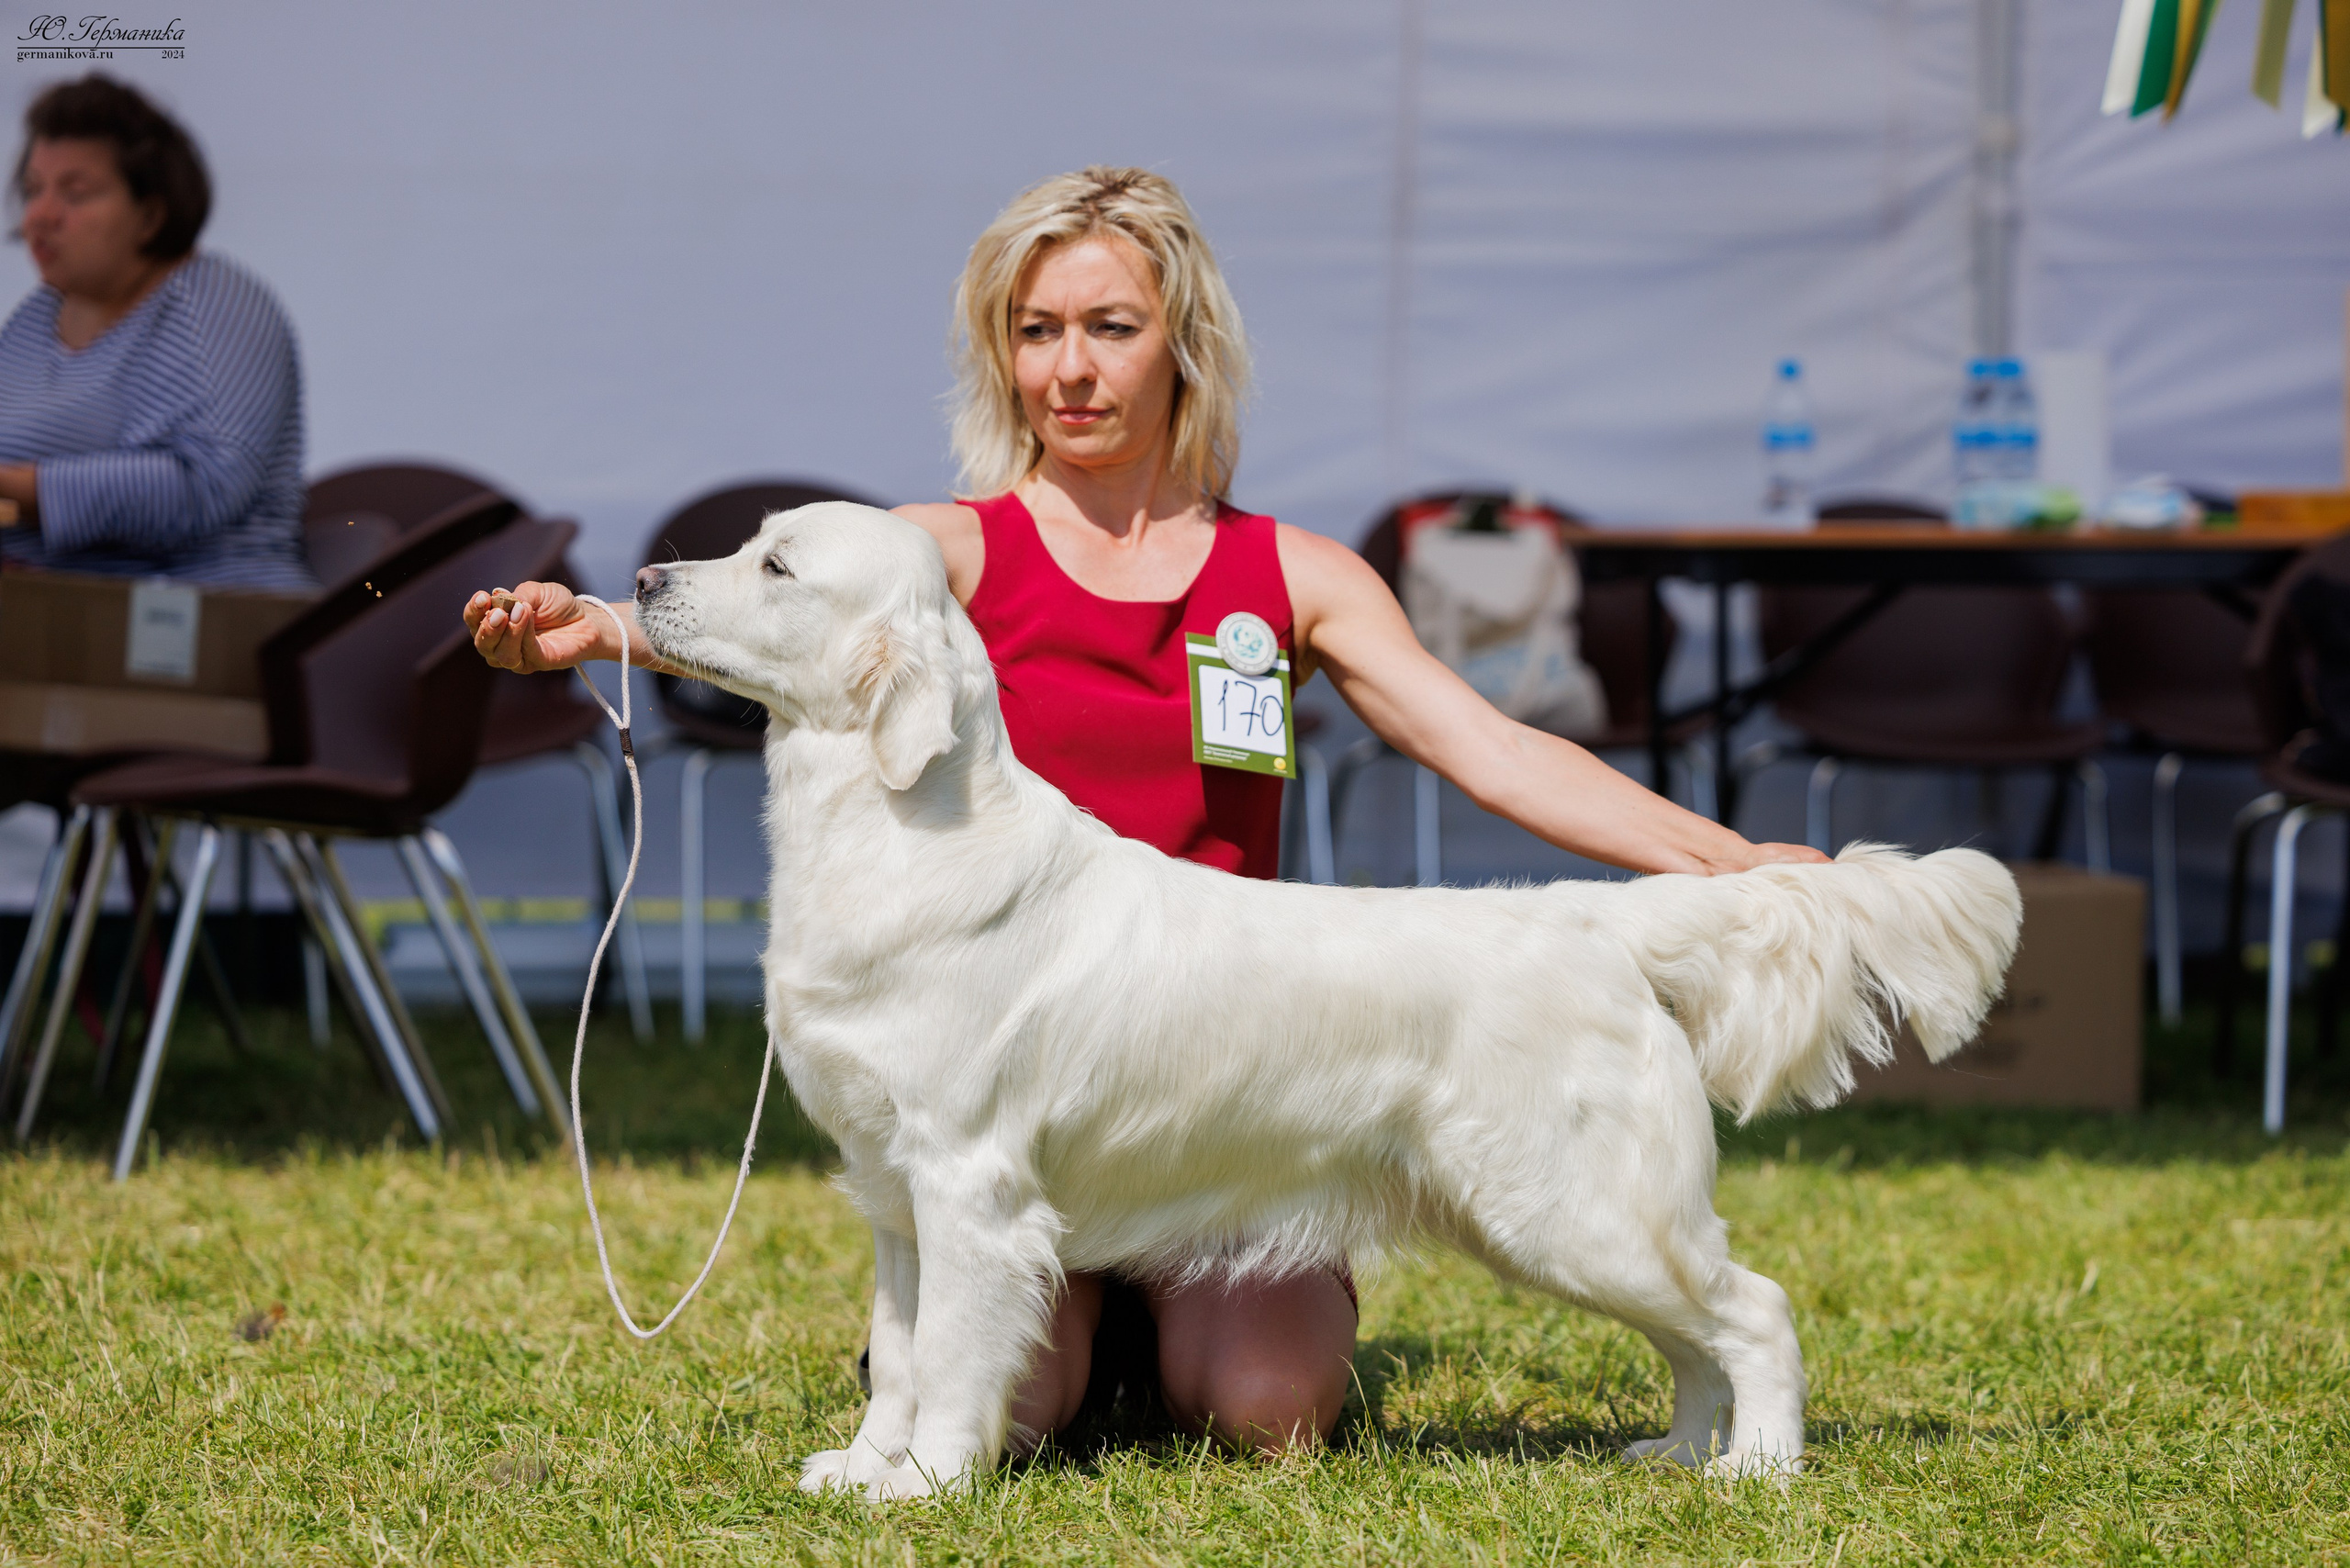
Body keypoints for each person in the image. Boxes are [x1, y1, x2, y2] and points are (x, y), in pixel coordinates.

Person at [466, 166, 1826, 1455]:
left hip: (1233, 1082)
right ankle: (1064, 1331)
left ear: (1185, 345)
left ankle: (1155, 1324)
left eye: (1111, 328)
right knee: (1000, 1412)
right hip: (1027, 1066)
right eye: (1037, 329)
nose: (1070, 369)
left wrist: (1731, 864)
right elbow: (784, 615)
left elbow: (1486, 747)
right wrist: (588, 630)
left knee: (1269, 1409)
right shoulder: (936, 550)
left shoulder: (1291, 571)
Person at [0, 74, 312, 590]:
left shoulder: (214, 302)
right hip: (54, 611)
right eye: (33, 191)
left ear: (149, 214)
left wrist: (20, 489)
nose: (41, 216)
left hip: (202, 620)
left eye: (75, 194)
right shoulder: (34, 321)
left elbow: (206, 483)